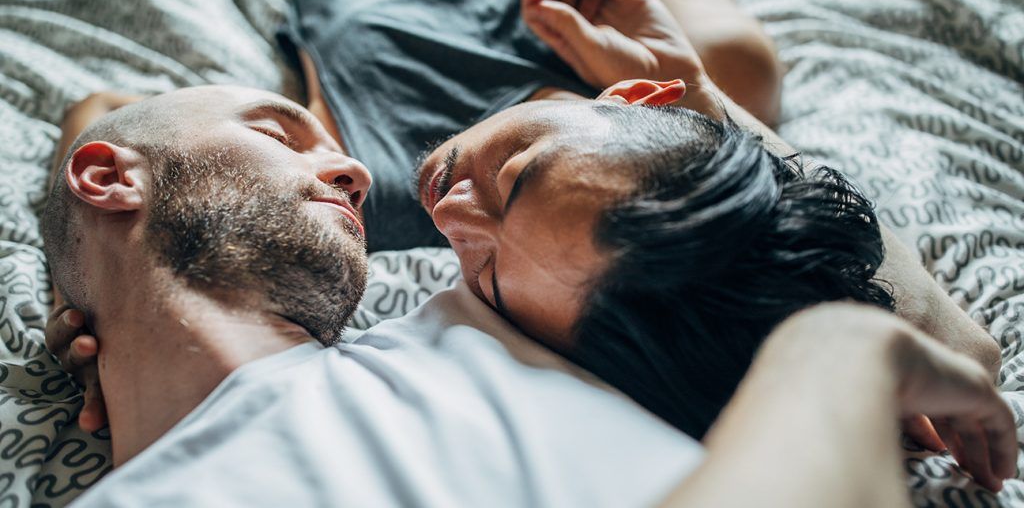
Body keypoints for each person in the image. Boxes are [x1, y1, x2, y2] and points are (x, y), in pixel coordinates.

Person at [52, 0, 998, 471]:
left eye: (487, 272)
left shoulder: (351, 193)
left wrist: (108, 282)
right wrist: (695, 92)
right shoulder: (689, 82)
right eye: (515, 175)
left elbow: (958, 352)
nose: (450, 218)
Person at [42, 85, 1016, 506]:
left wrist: (857, 339)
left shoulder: (498, 317)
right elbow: (107, 128)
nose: (348, 168)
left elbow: (952, 346)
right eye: (281, 130)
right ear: (106, 178)